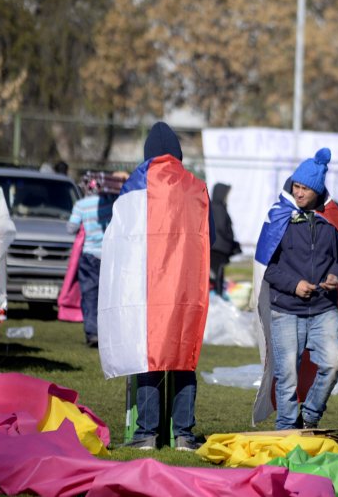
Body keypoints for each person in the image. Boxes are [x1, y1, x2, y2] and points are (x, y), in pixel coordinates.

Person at [98, 121, 213, 451]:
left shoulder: (137, 184)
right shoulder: (197, 188)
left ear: (148, 154)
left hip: (147, 290)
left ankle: (147, 433)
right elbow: (210, 237)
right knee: (182, 358)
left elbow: (121, 236)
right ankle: (184, 435)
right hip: (187, 289)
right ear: (177, 154)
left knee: (149, 355)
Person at [253, 148, 338, 430]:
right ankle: (286, 428)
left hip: (323, 308)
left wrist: (335, 274)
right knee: (287, 376)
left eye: (305, 189)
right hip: (285, 308)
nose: (298, 193)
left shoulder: (331, 219)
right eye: (296, 186)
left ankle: (309, 417)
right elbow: (266, 266)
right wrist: (294, 285)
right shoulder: (279, 216)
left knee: (333, 363)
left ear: (317, 190)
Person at [66, 174, 120, 347]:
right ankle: (109, 333)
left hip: (90, 255)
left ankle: (92, 332)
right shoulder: (110, 201)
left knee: (90, 294)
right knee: (109, 295)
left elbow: (71, 228)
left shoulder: (81, 205)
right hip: (110, 254)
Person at [210, 183, 241, 297]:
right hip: (218, 249)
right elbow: (222, 228)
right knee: (217, 276)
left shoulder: (212, 207)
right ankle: (217, 297)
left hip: (214, 248)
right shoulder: (218, 209)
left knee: (213, 276)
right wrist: (230, 242)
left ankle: (216, 297)